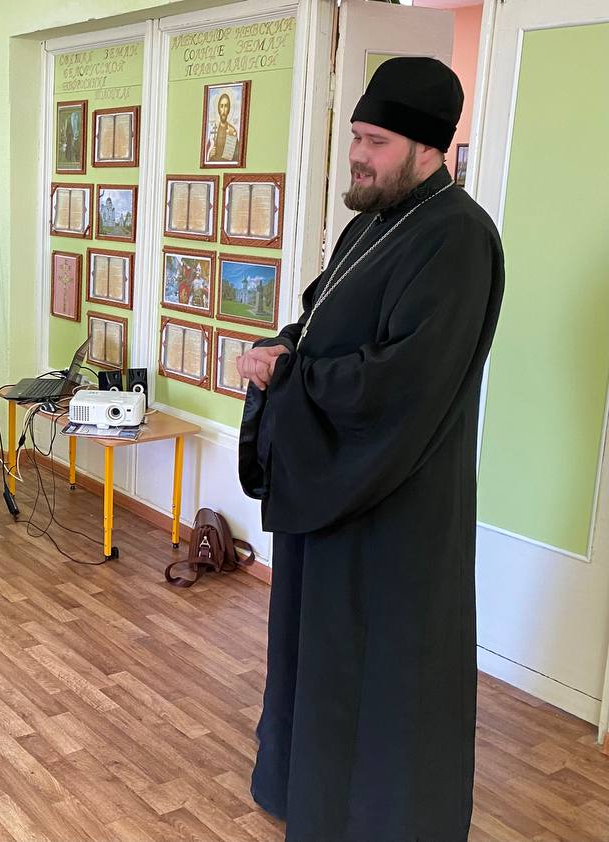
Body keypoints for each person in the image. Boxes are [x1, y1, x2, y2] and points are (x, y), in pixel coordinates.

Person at [236, 57, 504, 842]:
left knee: (384, 677)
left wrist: (293, 377)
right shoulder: (371, 223)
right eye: (356, 136)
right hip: (335, 495)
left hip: (395, 510)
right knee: (319, 663)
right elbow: (321, 321)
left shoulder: (459, 238)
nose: (357, 155)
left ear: (428, 148)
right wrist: (283, 349)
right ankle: (312, 801)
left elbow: (403, 382)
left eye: (375, 141)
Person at [207, 92, 239, 162]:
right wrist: (209, 154)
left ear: (229, 109)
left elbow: (236, 156)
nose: (223, 110)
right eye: (221, 106)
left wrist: (231, 138)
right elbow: (206, 153)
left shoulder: (232, 131)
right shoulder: (213, 130)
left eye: (226, 106)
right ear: (219, 109)